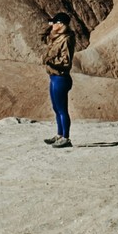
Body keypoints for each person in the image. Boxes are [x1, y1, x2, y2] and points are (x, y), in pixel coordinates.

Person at [41, 11, 76, 148]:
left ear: (61, 24)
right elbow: (45, 34)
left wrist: (51, 62)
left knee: (62, 109)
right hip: (54, 76)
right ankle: (59, 135)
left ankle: (66, 138)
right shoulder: (57, 37)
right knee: (56, 108)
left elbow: (66, 61)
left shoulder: (66, 39)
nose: (52, 24)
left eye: (55, 22)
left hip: (61, 77)